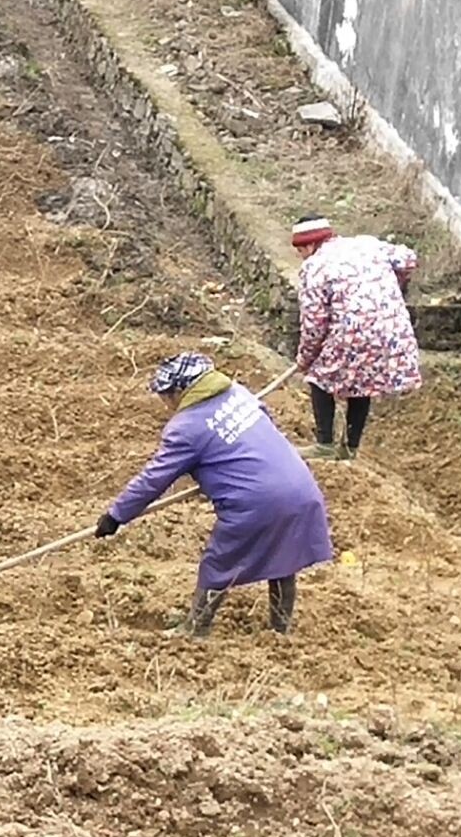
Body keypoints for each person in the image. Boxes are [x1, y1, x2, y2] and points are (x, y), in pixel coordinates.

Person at [96, 353, 333, 638]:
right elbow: (259, 426)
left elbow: (153, 480)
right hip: (299, 486)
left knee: (219, 562)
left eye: (166, 396)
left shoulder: (186, 428)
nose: (166, 405)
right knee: (285, 557)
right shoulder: (238, 393)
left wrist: (115, 515)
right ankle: (280, 630)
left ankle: (195, 628)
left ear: (182, 391)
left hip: (258, 502)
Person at [290, 216, 422, 458]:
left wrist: (305, 358)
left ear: (309, 245)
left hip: (354, 332)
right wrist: (396, 283)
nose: (301, 256)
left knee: (318, 376)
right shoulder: (366, 244)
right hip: (392, 329)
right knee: (364, 383)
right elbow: (408, 258)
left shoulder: (314, 266)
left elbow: (314, 323)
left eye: (300, 250)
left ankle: (325, 445)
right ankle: (351, 448)